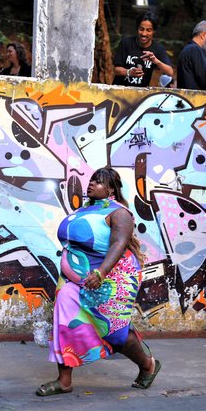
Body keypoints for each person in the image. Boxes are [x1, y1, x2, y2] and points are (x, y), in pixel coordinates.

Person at [37, 167, 160, 396]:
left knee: (113, 331)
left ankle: (147, 364)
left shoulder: (119, 213)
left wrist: (101, 272)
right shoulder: (84, 210)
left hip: (110, 278)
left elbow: (118, 244)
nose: (91, 184)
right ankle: (64, 381)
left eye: (98, 182)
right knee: (64, 322)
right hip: (74, 280)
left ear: (111, 188)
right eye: (91, 180)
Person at [112, 11, 173, 88]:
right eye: (141, 29)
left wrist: (156, 61)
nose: (144, 34)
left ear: (154, 31)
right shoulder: (126, 43)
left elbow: (170, 72)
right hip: (119, 91)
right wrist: (129, 72)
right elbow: (116, 70)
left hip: (141, 95)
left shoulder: (158, 48)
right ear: (137, 28)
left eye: (148, 30)